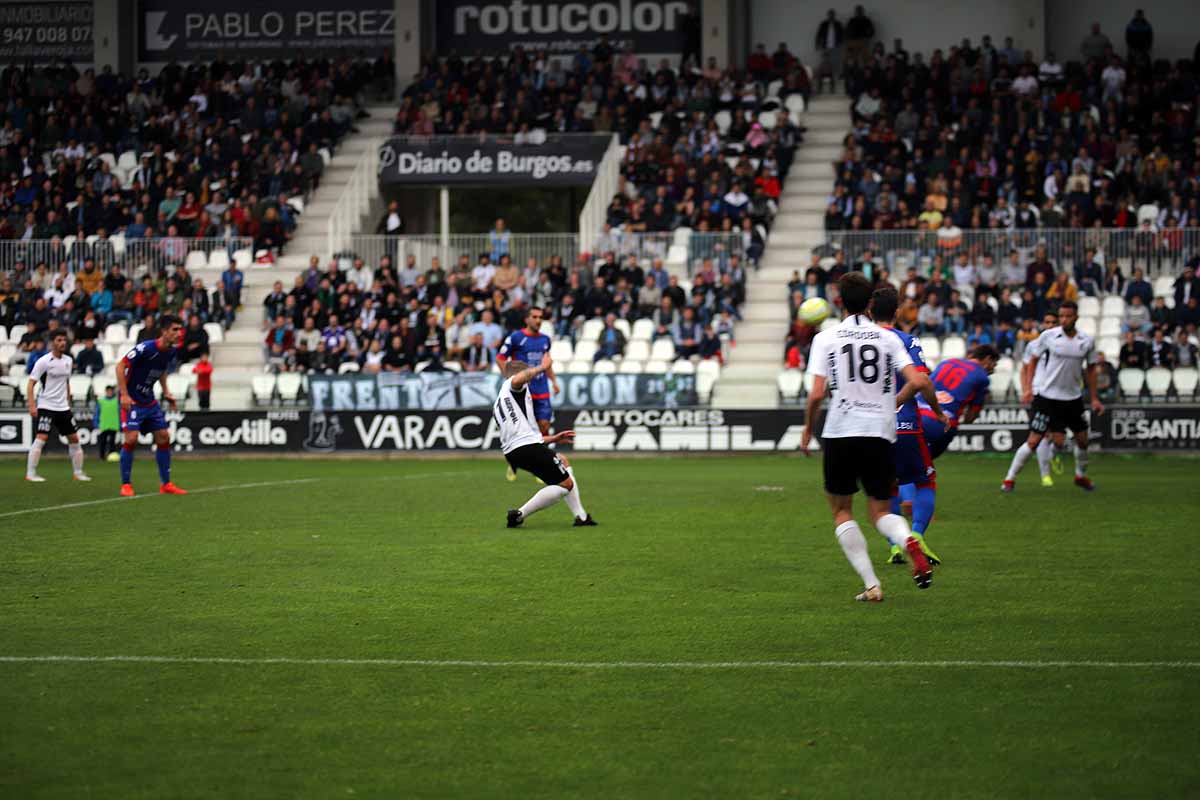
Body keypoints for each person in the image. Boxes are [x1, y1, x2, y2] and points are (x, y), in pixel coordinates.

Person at [800, 273, 950, 602]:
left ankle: (872, 584)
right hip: (881, 431)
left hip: (841, 430)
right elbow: (921, 382)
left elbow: (815, 395)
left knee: (842, 511)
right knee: (880, 512)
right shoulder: (889, 339)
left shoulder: (826, 338)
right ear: (870, 303)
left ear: (839, 302)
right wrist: (936, 411)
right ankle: (909, 538)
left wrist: (808, 429)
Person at [895, 343, 999, 561]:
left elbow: (924, 381)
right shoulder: (982, 377)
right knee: (925, 475)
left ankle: (898, 532)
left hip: (915, 417)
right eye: (994, 364)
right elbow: (971, 416)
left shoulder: (946, 362)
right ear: (987, 360)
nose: (994, 369)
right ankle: (916, 530)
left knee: (905, 467)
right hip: (941, 423)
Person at [868, 286, 940, 566]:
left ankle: (895, 546)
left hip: (874, 429)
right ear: (896, 312)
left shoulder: (861, 342)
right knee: (925, 480)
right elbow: (922, 380)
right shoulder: (907, 340)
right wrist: (938, 412)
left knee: (888, 488)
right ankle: (917, 535)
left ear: (870, 312)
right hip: (907, 424)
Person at [1002, 301, 1103, 493]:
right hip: (1047, 397)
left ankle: (1080, 476)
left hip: (1073, 398)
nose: (1064, 320)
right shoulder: (1048, 336)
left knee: (1082, 439)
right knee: (1033, 441)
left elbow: (1091, 370)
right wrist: (1029, 388)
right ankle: (1009, 479)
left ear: (1076, 317)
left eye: (1068, 316)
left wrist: (1095, 398)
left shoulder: (1086, 341)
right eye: (1062, 316)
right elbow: (1032, 361)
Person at [496, 352, 595, 528]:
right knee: (566, 485)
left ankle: (581, 516)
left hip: (514, 452)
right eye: (528, 374)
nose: (531, 378)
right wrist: (542, 367)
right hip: (526, 447)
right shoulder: (513, 386)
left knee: (562, 462)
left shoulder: (500, 402)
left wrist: (554, 438)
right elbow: (518, 379)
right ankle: (519, 514)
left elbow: (522, 433)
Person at [115, 314, 188, 497]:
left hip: (149, 400)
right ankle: (126, 484)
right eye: (175, 330)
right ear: (164, 332)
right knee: (131, 438)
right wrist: (124, 394)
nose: (179, 333)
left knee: (164, 437)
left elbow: (161, 370)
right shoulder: (146, 348)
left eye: (180, 329)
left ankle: (166, 484)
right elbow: (120, 366)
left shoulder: (171, 350)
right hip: (132, 400)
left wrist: (166, 391)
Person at [496, 306, 559, 480]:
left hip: (542, 389)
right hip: (522, 393)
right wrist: (509, 378)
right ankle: (513, 463)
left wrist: (553, 381)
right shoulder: (516, 338)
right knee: (520, 430)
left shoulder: (546, 339)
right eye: (535, 316)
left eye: (541, 317)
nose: (538, 320)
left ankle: (542, 465)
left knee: (544, 426)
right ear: (527, 319)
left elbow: (547, 363)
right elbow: (500, 358)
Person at [25, 330, 91, 482]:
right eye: (59, 340)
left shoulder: (68, 360)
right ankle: (31, 473)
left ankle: (78, 472)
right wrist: (32, 405)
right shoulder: (44, 361)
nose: (62, 343)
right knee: (41, 437)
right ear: (52, 343)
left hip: (63, 407)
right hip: (46, 405)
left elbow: (66, 382)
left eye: (64, 340)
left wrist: (67, 401)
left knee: (74, 438)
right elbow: (31, 384)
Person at [94, 384, 120, 462]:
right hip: (104, 425)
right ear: (106, 392)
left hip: (114, 424)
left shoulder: (117, 401)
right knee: (103, 442)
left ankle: (111, 456)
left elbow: (120, 413)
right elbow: (97, 413)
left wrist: (121, 423)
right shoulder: (101, 401)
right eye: (108, 391)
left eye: (111, 391)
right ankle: (102, 457)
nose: (109, 392)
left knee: (112, 442)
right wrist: (96, 422)